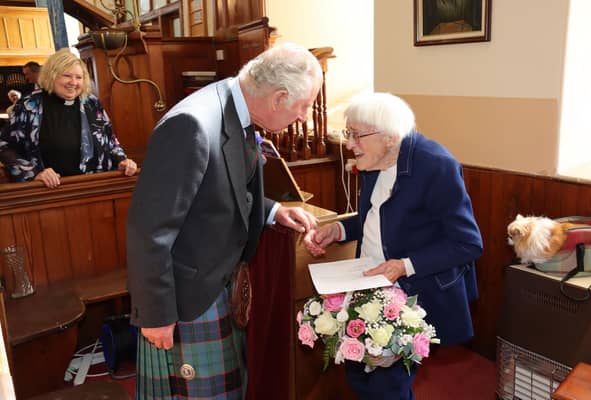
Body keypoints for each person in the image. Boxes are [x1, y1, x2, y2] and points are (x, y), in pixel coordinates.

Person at [127, 42, 323, 399]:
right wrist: (155, 314)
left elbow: (223, 189)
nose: (303, 117)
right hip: (186, 299)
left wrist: (273, 211)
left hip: (217, 285)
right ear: (279, 97)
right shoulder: (192, 124)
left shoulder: (237, 109)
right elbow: (149, 229)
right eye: (303, 106)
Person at [303, 92, 483, 400]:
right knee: (358, 372)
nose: (349, 145)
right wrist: (339, 229)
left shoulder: (436, 166)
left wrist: (404, 264)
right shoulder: (377, 159)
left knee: (388, 386)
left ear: (390, 137)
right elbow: (378, 219)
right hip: (368, 281)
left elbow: (467, 243)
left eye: (356, 135)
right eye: (350, 134)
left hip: (411, 292)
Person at [0, 48, 137, 188]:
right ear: (51, 75)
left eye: (79, 77)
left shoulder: (91, 103)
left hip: (98, 186)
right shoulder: (29, 106)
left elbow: (110, 140)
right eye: (67, 76)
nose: (73, 82)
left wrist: (122, 160)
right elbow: (4, 146)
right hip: (52, 191)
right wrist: (34, 173)